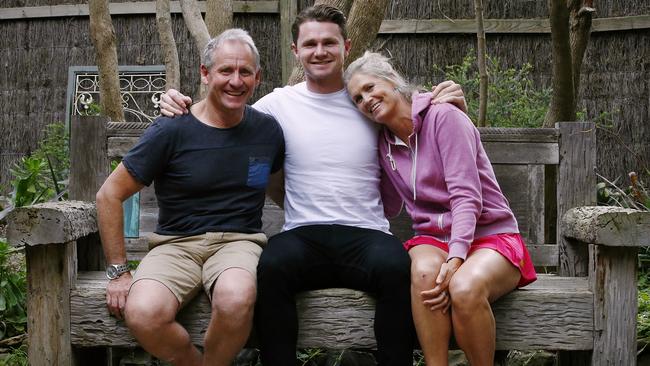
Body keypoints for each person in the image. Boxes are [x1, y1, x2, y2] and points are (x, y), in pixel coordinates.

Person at [160, 5, 466, 365]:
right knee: (269, 268)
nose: (319, 51)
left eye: (328, 43)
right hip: (303, 233)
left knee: (399, 269)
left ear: (346, 47)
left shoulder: (368, 101)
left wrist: (452, 103)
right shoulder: (276, 105)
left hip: (366, 232)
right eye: (310, 44)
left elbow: (421, 125)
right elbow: (223, 113)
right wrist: (177, 103)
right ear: (296, 51)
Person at [95, 29, 284, 366]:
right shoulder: (171, 129)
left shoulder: (267, 131)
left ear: (258, 77)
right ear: (205, 73)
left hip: (238, 243)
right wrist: (119, 272)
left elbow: (279, 186)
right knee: (142, 312)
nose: (235, 81)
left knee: (236, 299)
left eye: (245, 72)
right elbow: (109, 194)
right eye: (225, 70)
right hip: (174, 245)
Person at [343, 51, 538, 366]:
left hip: (490, 236)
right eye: (357, 98)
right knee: (422, 273)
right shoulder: (383, 144)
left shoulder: (443, 116)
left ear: (391, 79)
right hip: (433, 238)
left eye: (369, 87)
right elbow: (389, 206)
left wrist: (457, 255)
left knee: (463, 287)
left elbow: (466, 195)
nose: (366, 99)